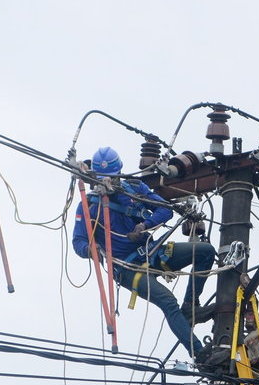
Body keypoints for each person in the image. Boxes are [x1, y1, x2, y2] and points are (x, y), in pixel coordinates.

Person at [72, 146, 217, 360]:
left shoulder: (134, 188)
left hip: (153, 251)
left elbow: (165, 209)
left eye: (111, 178)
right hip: (127, 268)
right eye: (103, 179)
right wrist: (91, 251)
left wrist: (144, 225)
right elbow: (78, 241)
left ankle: (190, 307)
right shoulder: (89, 205)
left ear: (120, 173)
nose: (107, 183)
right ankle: (200, 354)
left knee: (205, 252)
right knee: (168, 302)